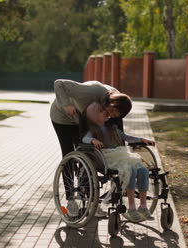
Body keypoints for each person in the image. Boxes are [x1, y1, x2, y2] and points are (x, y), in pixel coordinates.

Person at [50, 79, 132, 216]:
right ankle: (71, 200)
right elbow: (59, 83)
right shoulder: (91, 91)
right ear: (110, 103)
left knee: (87, 155)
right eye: (111, 112)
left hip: (82, 120)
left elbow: (117, 130)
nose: (110, 116)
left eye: (114, 115)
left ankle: (91, 202)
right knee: (69, 155)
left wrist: (120, 155)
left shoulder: (118, 105)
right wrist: (67, 105)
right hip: (63, 117)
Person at [83, 102, 156, 222]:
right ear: (94, 116)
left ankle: (143, 206)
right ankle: (131, 208)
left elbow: (126, 137)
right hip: (109, 157)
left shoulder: (112, 127)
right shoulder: (93, 129)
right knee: (130, 170)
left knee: (143, 170)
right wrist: (92, 140)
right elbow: (84, 138)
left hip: (122, 155)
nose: (106, 113)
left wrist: (141, 139)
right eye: (102, 112)